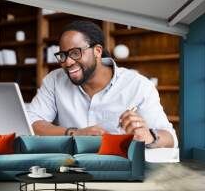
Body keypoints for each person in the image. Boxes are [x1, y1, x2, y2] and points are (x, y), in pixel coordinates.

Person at [27, 20, 177, 148]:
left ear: (97, 51)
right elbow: (32, 122)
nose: (67, 62)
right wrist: (74, 134)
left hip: (119, 171)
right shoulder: (55, 80)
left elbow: (171, 138)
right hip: (68, 167)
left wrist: (149, 136)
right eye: (63, 55)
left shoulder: (138, 85)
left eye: (75, 53)